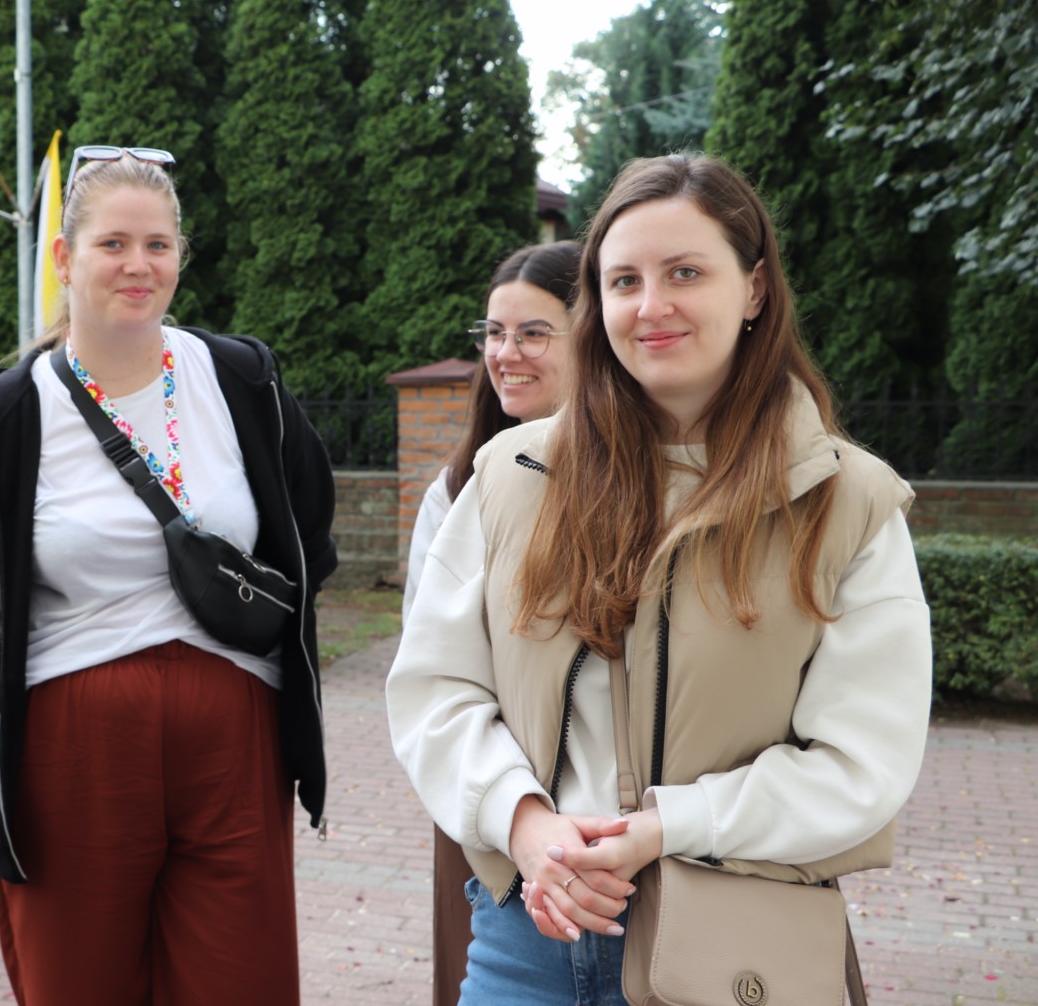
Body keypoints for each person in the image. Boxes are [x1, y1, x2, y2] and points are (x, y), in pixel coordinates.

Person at [387, 154, 932, 1005]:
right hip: (529, 938)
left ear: (755, 288)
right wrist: (524, 824)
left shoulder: (847, 501)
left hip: (733, 941)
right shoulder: (510, 476)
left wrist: (665, 827)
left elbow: (862, 761)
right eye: (624, 281)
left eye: (685, 272)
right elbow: (435, 690)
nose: (650, 306)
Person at [0, 146, 337, 1006]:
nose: (139, 264)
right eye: (114, 244)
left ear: (180, 256)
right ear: (64, 257)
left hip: (235, 740)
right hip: (72, 748)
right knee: (78, 984)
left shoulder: (240, 378)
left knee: (243, 985)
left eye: (158, 244)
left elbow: (307, 526)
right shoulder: (8, 411)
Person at [399, 240, 580, 1006]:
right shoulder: (456, 488)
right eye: (494, 333)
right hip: (493, 801)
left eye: (533, 332)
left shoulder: (640, 475)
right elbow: (430, 667)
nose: (506, 353)